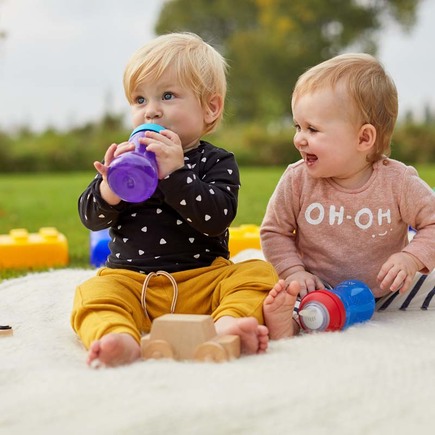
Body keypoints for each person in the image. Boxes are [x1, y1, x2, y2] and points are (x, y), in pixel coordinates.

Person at [71, 32, 281, 367]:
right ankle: (117, 337)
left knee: (257, 273)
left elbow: (216, 218)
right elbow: (90, 218)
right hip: (132, 283)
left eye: (167, 96)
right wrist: (109, 189)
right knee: (92, 293)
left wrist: (176, 175)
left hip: (202, 282)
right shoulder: (125, 161)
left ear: (210, 108)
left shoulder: (216, 161)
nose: (151, 111)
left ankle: (226, 324)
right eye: (140, 100)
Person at [261, 53, 435, 339]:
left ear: (364, 139)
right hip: (321, 289)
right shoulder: (297, 179)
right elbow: (273, 231)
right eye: (298, 126)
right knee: (291, 299)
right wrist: (294, 272)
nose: (299, 139)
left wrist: (411, 258)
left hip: (390, 290)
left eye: (312, 129)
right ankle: (287, 324)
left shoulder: (398, 181)